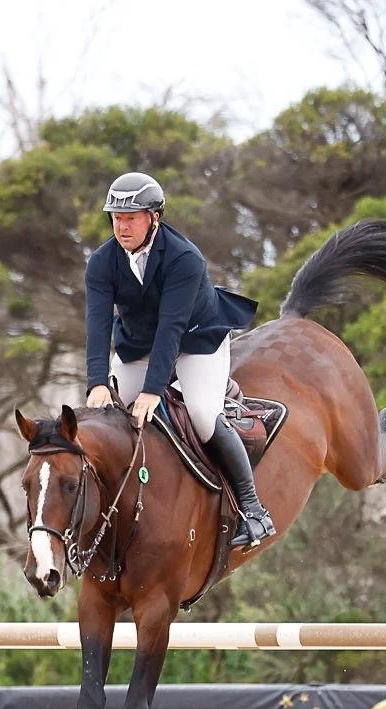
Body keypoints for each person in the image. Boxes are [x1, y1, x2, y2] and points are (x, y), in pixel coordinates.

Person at [83, 171, 275, 548]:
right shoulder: (102, 263)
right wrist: (96, 383)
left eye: (132, 217)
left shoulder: (184, 258)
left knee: (202, 415)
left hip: (195, 339)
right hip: (138, 344)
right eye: (116, 218)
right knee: (116, 419)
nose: (122, 226)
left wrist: (154, 390)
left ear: (154, 217)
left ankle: (253, 511)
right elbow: (97, 325)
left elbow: (172, 329)